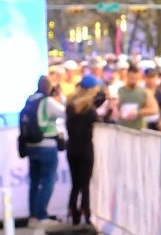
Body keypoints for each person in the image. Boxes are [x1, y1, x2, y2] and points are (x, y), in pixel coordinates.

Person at [20, 75, 64, 222]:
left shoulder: (30, 99)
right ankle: (41, 215)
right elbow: (64, 112)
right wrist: (60, 95)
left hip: (31, 145)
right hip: (46, 145)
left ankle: (33, 214)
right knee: (47, 181)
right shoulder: (47, 101)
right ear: (49, 86)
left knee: (34, 181)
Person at [64, 74, 106, 225]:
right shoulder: (89, 109)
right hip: (85, 148)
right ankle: (86, 211)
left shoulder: (70, 104)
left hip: (72, 147)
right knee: (85, 183)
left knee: (75, 183)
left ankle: (72, 210)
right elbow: (99, 123)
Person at [115, 62, 151, 130]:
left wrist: (137, 112)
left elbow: (153, 109)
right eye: (132, 78)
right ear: (127, 76)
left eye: (136, 78)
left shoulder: (144, 92)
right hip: (122, 129)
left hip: (138, 131)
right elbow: (114, 107)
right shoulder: (119, 91)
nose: (134, 80)